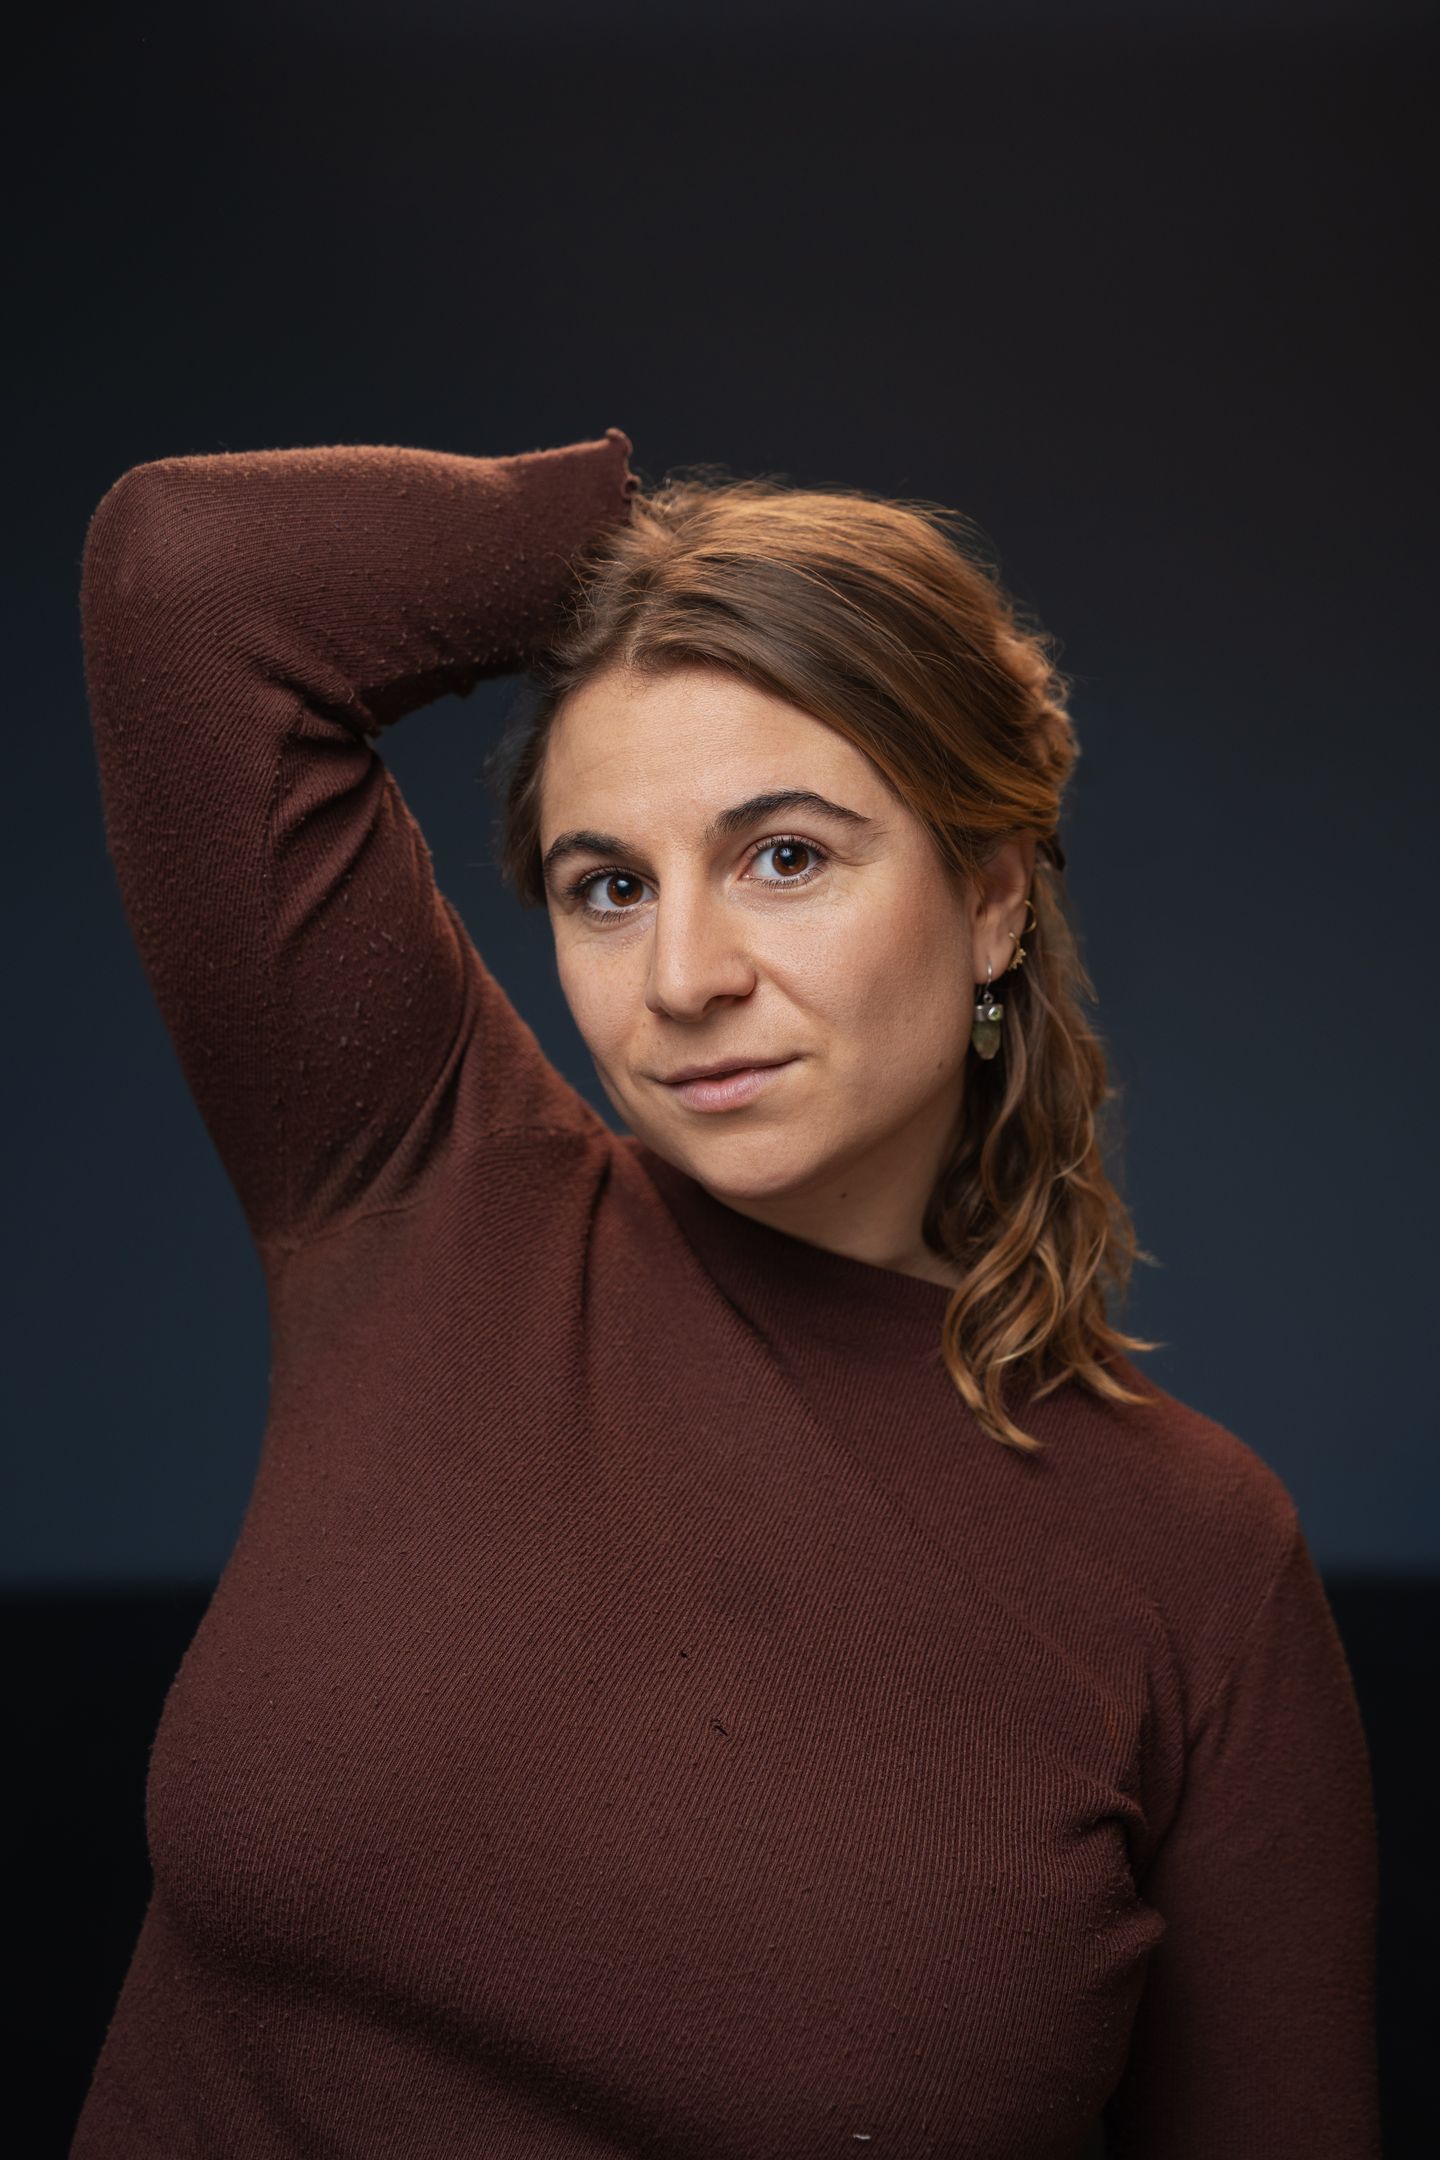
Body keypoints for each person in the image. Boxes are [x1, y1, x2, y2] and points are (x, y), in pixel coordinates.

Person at [71, 427, 1379, 2158]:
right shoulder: (431, 1195)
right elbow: (188, 571)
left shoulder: (1199, 1565)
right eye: (609, 887)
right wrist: (658, 558)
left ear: (991, 899)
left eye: (785, 857)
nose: (684, 978)